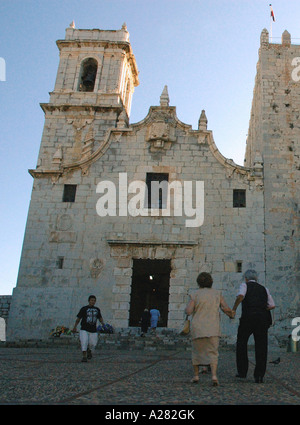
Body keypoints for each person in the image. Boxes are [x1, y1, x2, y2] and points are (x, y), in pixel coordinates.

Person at [185, 272, 233, 386]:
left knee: (196, 352)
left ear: (198, 282)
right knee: (213, 353)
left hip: (198, 328)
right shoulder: (217, 294)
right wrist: (231, 314)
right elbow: (225, 308)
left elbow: (189, 311)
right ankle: (214, 376)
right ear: (211, 281)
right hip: (213, 328)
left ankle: (196, 376)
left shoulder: (195, 294)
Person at [231, 269, 275, 383]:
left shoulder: (244, 285)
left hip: (248, 318)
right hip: (262, 320)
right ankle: (259, 375)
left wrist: (234, 308)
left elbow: (240, 296)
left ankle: (242, 371)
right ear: (256, 279)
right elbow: (272, 305)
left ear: (246, 278)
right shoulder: (264, 289)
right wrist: (261, 308)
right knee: (261, 346)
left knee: (241, 343)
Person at [72, 295, 104, 362]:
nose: (93, 302)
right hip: (84, 329)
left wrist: (103, 325)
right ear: (89, 301)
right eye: (92, 300)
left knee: (93, 343)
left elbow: (100, 318)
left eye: (94, 300)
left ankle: (89, 350)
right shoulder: (84, 309)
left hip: (93, 330)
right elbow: (78, 318)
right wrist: (75, 327)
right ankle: (84, 356)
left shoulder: (97, 309)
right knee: (84, 342)